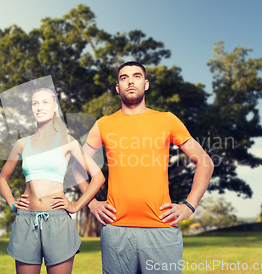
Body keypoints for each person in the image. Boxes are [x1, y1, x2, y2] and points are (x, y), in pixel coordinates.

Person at [73, 61, 214, 274]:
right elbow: (77, 165)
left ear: (145, 84)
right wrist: (91, 204)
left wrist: (189, 206)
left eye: (137, 76)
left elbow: (205, 161)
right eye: (124, 77)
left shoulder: (167, 120)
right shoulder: (103, 124)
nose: (130, 81)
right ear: (117, 88)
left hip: (161, 231)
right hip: (116, 231)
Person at [0, 88, 105, 274]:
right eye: (35, 103)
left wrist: (76, 206)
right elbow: (2, 178)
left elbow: (98, 177)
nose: (39, 107)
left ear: (55, 107)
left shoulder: (68, 141)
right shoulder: (21, 144)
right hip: (26, 221)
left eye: (45, 102)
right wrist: (12, 204)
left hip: (57, 222)